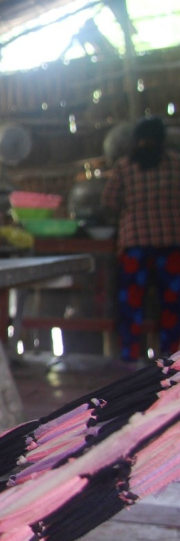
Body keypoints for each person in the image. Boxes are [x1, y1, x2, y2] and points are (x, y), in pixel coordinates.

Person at [102, 116, 180, 363]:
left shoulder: (125, 167)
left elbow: (109, 202)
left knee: (132, 303)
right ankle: (172, 357)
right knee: (172, 304)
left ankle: (130, 355)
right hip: (171, 244)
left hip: (135, 245)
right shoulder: (176, 164)